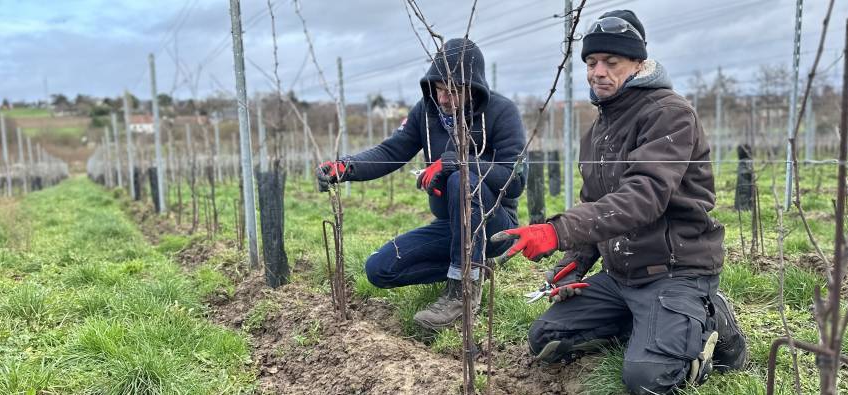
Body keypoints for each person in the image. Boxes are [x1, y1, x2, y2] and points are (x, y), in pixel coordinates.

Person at [490, 10, 748, 394]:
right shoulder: (597, 130)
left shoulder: (670, 113)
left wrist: (556, 230)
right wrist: (574, 263)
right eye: (592, 63)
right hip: (621, 275)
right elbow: (597, 201)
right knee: (547, 339)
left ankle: (712, 319)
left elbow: (643, 196)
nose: (598, 72)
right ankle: (655, 324)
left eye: (611, 62)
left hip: (675, 271)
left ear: (639, 64)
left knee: (646, 379)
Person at [316, 38, 526, 330]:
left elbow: (515, 181)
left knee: (460, 179)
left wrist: (458, 161)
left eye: (453, 91)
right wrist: (345, 167)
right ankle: (477, 267)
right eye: (439, 89)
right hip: (452, 225)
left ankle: (462, 291)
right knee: (379, 269)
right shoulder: (426, 113)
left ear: (473, 89)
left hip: (493, 225)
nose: (443, 99)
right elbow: (392, 151)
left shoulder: (502, 113)